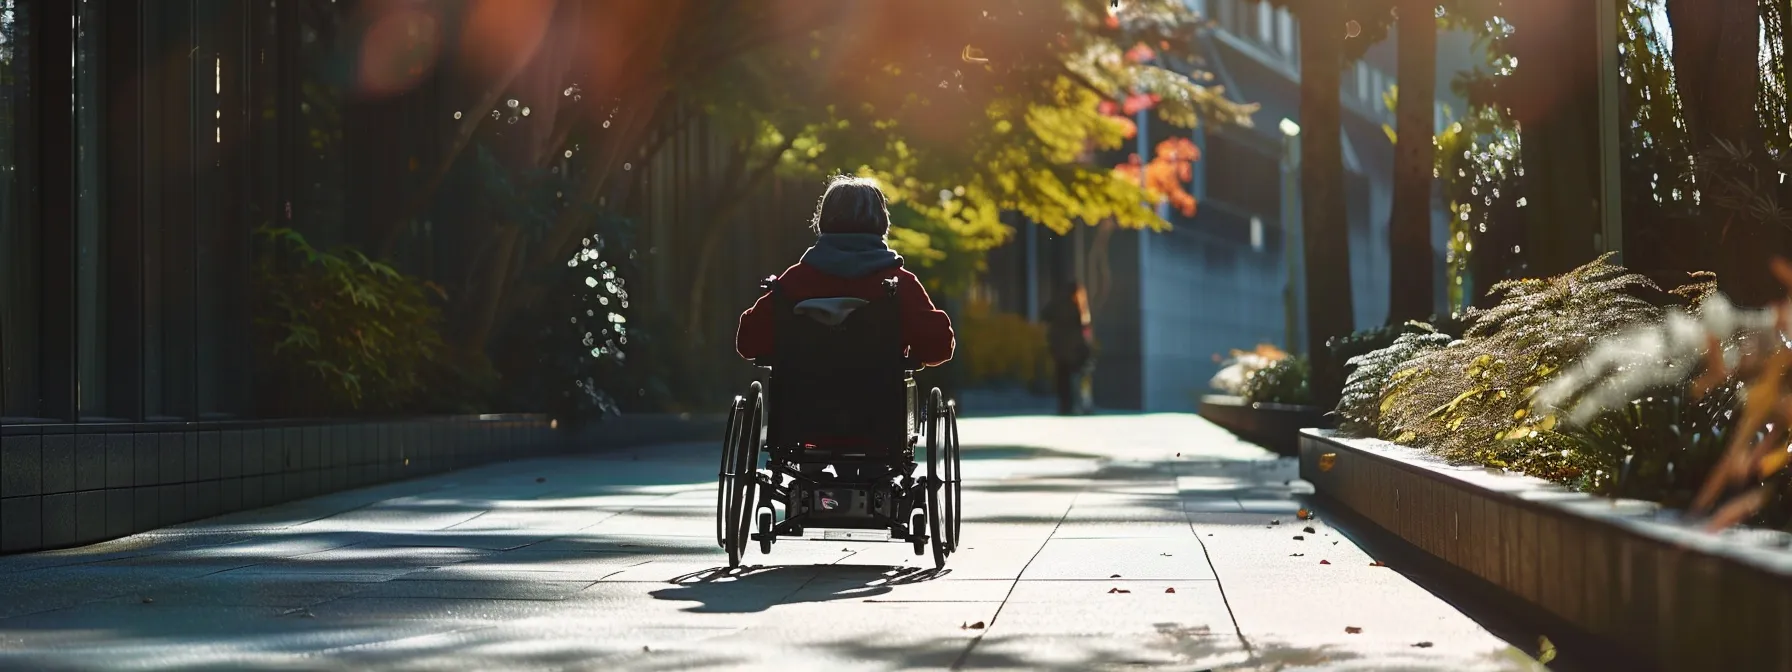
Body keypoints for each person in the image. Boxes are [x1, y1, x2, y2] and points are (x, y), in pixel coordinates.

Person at [735, 175, 956, 367]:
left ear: (824, 221)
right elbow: (938, 347)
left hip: (802, 405)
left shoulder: (794, 281)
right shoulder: (899, 283)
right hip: (880, 403)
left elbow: (748, 343)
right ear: (882, 222)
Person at [1044, 281, 1094, 415]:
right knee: (1077, 379)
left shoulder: (1056, 304)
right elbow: (1085, 327)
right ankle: (1078, 405)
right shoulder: (1078, 307)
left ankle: (1064, 407)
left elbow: (1045, 315)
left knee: (1062, 379)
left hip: (1059, 349)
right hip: (1074, 350)